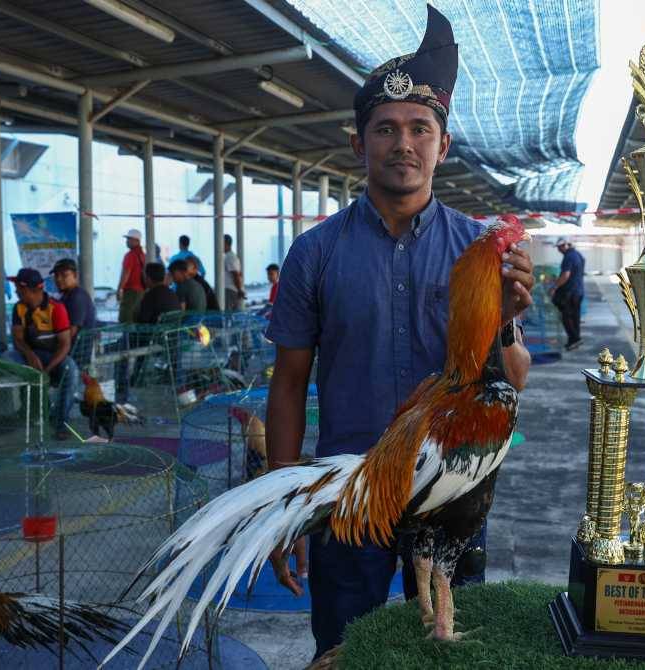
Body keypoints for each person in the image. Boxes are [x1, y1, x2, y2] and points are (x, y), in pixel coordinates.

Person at [264, 6, 534, 660]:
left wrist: (504, 324)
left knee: (447, 653)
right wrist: (282, 505)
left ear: (443, 144)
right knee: (345, 650)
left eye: (420, 127)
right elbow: (290, 381)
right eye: (385, 129)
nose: (403, 143)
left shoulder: (482, 248)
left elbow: (515, 377)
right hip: (349, 493)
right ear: (358, 144)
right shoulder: (315, 253)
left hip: (452, 492)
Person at [4, 268, 77, 440]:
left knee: (71, 368)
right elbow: (18, 340)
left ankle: (61, 422)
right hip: (30, 356)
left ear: (28, 290)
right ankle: (29, 409)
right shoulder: (19, 308)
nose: (15, 291)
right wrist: (29, 355)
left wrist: (47, 370)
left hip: (53, 357)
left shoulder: (56, 308)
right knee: (7, 358)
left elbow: (65, 345)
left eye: (18, 288)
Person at [51, 258, 97, 366]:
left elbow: (71, 332)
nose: (59, 279)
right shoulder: (66, 296)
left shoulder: (77, 296)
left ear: (75, 275)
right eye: (56, 276)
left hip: (75, 358)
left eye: (64, 275)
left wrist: (54, 351)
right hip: (70, 355)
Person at [550, 237, 585, 350]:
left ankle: (574, 339)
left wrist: (555, 287)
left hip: (570, 292)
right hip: (579, 290)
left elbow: (566, 275)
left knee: (566, 317)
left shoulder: (568, 257)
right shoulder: (578, 255)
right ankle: (575, 340)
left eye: (559, 247)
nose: (559, 250)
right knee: (575, 317)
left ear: (565, 245)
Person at [117, 229, 146, 323]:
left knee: (125, 318)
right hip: (142, 291)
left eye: (129, 239)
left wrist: (120, 288)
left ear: (137, 241)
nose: (127, 241)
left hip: (131, 292)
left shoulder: (130, 255)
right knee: (136, 317)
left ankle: (127, 338)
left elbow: (126, 273)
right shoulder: (143, 255)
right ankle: (133, 338)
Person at [223, 234, 245, 312]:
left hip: (230, 290)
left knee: (229, 314)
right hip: (232, 289)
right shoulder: (229, 256)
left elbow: (236, 274)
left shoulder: (230, 257)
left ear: (225, 243)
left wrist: (239, 290)